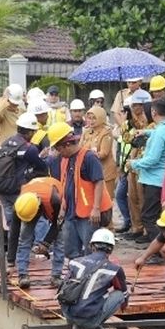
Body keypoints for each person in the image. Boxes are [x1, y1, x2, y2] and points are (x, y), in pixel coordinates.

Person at [46, 120, 113, 286]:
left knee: (92, 249)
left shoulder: (89, 157)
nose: (58, 152)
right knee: (71, 250)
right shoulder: (65, 160)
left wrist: (96, 208)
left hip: (89, 214)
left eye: (58, 148)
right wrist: (63, 206)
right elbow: (66, 184)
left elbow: (98, 182)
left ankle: (94, 282)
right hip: (71, 212)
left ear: (67, 144)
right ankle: (77, 280)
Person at [0, 112, 49, 266]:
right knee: (36, 217)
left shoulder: (5, 143)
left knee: (12, 223)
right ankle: (36, 248)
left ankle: (12, 256)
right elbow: (43, 169)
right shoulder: (30, 148)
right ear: (31, 132)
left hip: (2, 190)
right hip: (19, 190)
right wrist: (44, 157)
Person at [59, 229, 129, 329]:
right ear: (111, 249)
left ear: (92, 246)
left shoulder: (76, 262)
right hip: (89, 320)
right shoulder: (114, 269)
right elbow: (123, 293)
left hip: (68, 315)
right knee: (119, 295)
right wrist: (124, 304)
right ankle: (92, 328)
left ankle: (77, 326)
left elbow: (63, 288)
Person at [129, 97, 165, 244]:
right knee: (156, 216)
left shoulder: (160, 132)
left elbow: (152, 159)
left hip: (154, 180)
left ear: (153, 112)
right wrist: (145, 132)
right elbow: (159, 135)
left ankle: (160, 251)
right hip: (163, 178)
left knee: (148, 217)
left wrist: (134, 164)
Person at [12, 176, 63, 289]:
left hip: (53, 203)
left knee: (59, 240)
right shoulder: (21, 203)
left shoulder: (55, 200)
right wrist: (10, 262)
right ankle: (22, 275)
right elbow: (14, 232)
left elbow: (57, 225)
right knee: (24, 239)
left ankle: (56, 275)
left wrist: (46, 243)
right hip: (33, 203)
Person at [117, 90, 152, 236]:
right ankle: (136, 227)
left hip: (144, 166)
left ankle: (145, 229)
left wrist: (137, 130)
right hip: (132, 164)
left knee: (143, 198)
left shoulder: (152, 125)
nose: (134, 109)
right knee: (132, 197)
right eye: (133, 106)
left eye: (137, 106)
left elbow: (138, 139)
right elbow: (127, 139)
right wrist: (126, 122)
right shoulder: (133, 123)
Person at [81, 105, 118, 206]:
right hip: (90, 171)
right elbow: (80, 148)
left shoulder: (106, 132)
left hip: (105, 171)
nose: (91, 121)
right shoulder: (86, 131)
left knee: (106, 202)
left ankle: (109, 222)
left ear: (101, 118)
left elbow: (104, 153)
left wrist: (88, 155)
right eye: (89, 118)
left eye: (94, 118)